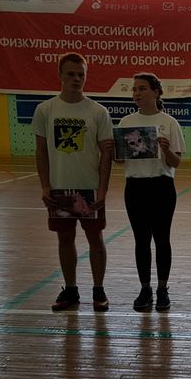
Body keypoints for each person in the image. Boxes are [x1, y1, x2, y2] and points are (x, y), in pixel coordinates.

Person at [33, 52, 113, 311]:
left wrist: (102, 189)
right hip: (59, 189)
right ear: (60, 75)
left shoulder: (98, 112)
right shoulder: (45, 110)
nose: (76, 79)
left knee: (95, 238)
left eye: (81, 74)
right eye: (71, 74)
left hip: (89, 189)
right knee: (65, 239)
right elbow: (41, 152)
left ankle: (98, 290)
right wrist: (45, 186)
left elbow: (106, 155)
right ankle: (70, 290)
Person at [112, 73, 185, 312]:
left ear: (156, 92)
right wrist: (115, 150)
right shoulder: (126, 122)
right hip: (135, 187)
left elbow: (176, 162)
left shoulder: (169, 123)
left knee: (162, 239)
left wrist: (166, 149)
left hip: (162, 186)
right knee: (141, 240)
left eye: (142, 88)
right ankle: (145, 288)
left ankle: (162, 289)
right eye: (134, 89)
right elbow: (120, 161)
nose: (137, 93)